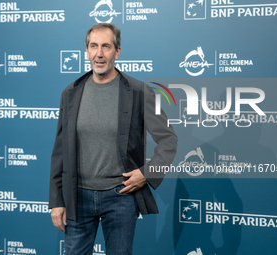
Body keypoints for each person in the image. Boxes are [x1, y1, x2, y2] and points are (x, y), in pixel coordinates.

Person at [49, 23, 177, 255]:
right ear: (86, 51)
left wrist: (147, 173)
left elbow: (168, 139)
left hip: (120, 197)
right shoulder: (71, 93)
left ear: (117, 52)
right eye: (93, 46)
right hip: (77, 197)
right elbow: (60, 151)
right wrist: (57, 200)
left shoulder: (139, 92)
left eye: (106, 46)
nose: (99, 53)